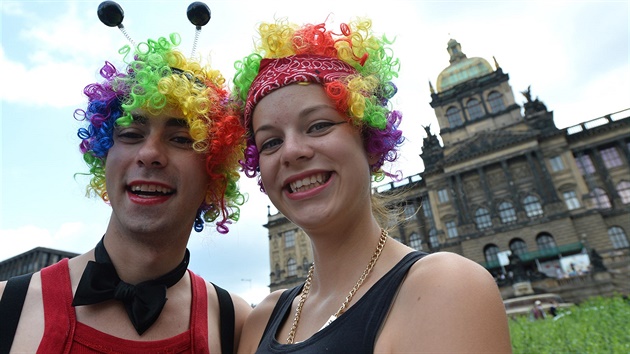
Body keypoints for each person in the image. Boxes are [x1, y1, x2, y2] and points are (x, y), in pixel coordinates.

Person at [232, 18, 512, 353]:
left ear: (369, 141)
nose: (291, 151)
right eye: (270, 143)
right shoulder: (260, 320)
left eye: (319, 125)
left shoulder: (447, 286)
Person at [0, 3, 251, 352]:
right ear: (104, 158)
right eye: (131, 134)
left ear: (215, 170)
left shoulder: (235, 325)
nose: (149, 154)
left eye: (181, 139)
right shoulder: (8, 305)